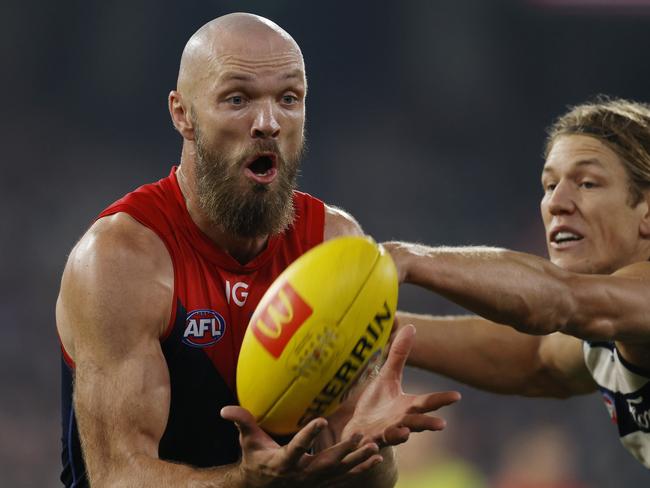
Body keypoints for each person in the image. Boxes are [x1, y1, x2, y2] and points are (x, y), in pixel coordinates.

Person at [55, 12, 460, 488]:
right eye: (237, 99)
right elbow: (117, 478)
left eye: (289, 99)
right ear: (182, 114)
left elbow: (362, 478)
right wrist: (245, 482)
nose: (268, 122)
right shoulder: (121, 260)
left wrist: (372, 450)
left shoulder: (333, 248)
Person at [384, 97, 650, 468]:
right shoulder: (606, 319)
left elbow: (559, 300)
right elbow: (535, 358)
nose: (556, 203)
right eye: (549, 185)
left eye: (587, 183)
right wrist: (372, 334)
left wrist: (407, 259)